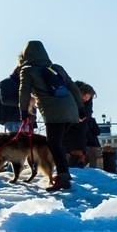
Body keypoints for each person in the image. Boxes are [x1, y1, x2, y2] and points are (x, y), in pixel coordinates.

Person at [16, 40, 84, 192]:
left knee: (54, 144)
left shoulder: (27, 69)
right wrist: (81, 108)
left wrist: (23, 111)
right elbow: (72, 86)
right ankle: (64, 174)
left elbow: (24, 92)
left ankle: (63, 177)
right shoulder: (55, 67)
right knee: (57, 143)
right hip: (71, 108)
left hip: (53, 112)